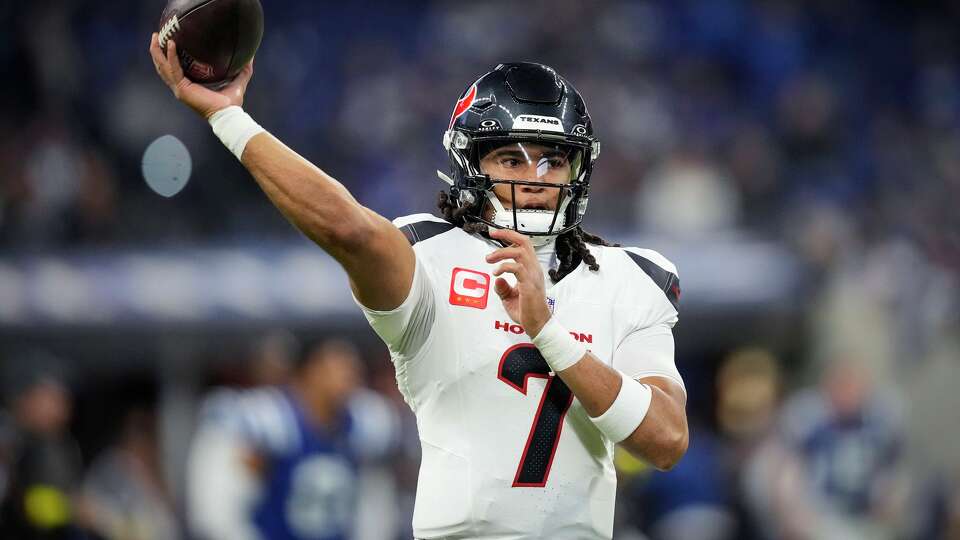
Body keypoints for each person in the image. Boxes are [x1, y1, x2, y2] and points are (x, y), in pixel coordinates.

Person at [150, 34, 688, 539]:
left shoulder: (629, 278)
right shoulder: (431, 257)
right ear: (470, 164)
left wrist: (548, 332)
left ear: (578, 168)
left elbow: (665, 441)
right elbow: (347, 226)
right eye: (509, 157)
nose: (535, 178)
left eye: (552, 158)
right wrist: (229, 118)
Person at [186, 339, 396, 540]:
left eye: (353, 369)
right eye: (339, 368)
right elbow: (220, 500)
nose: (350, 377)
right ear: (311, 370)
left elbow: (373, 501)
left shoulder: (362, 423)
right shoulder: (269, 419)